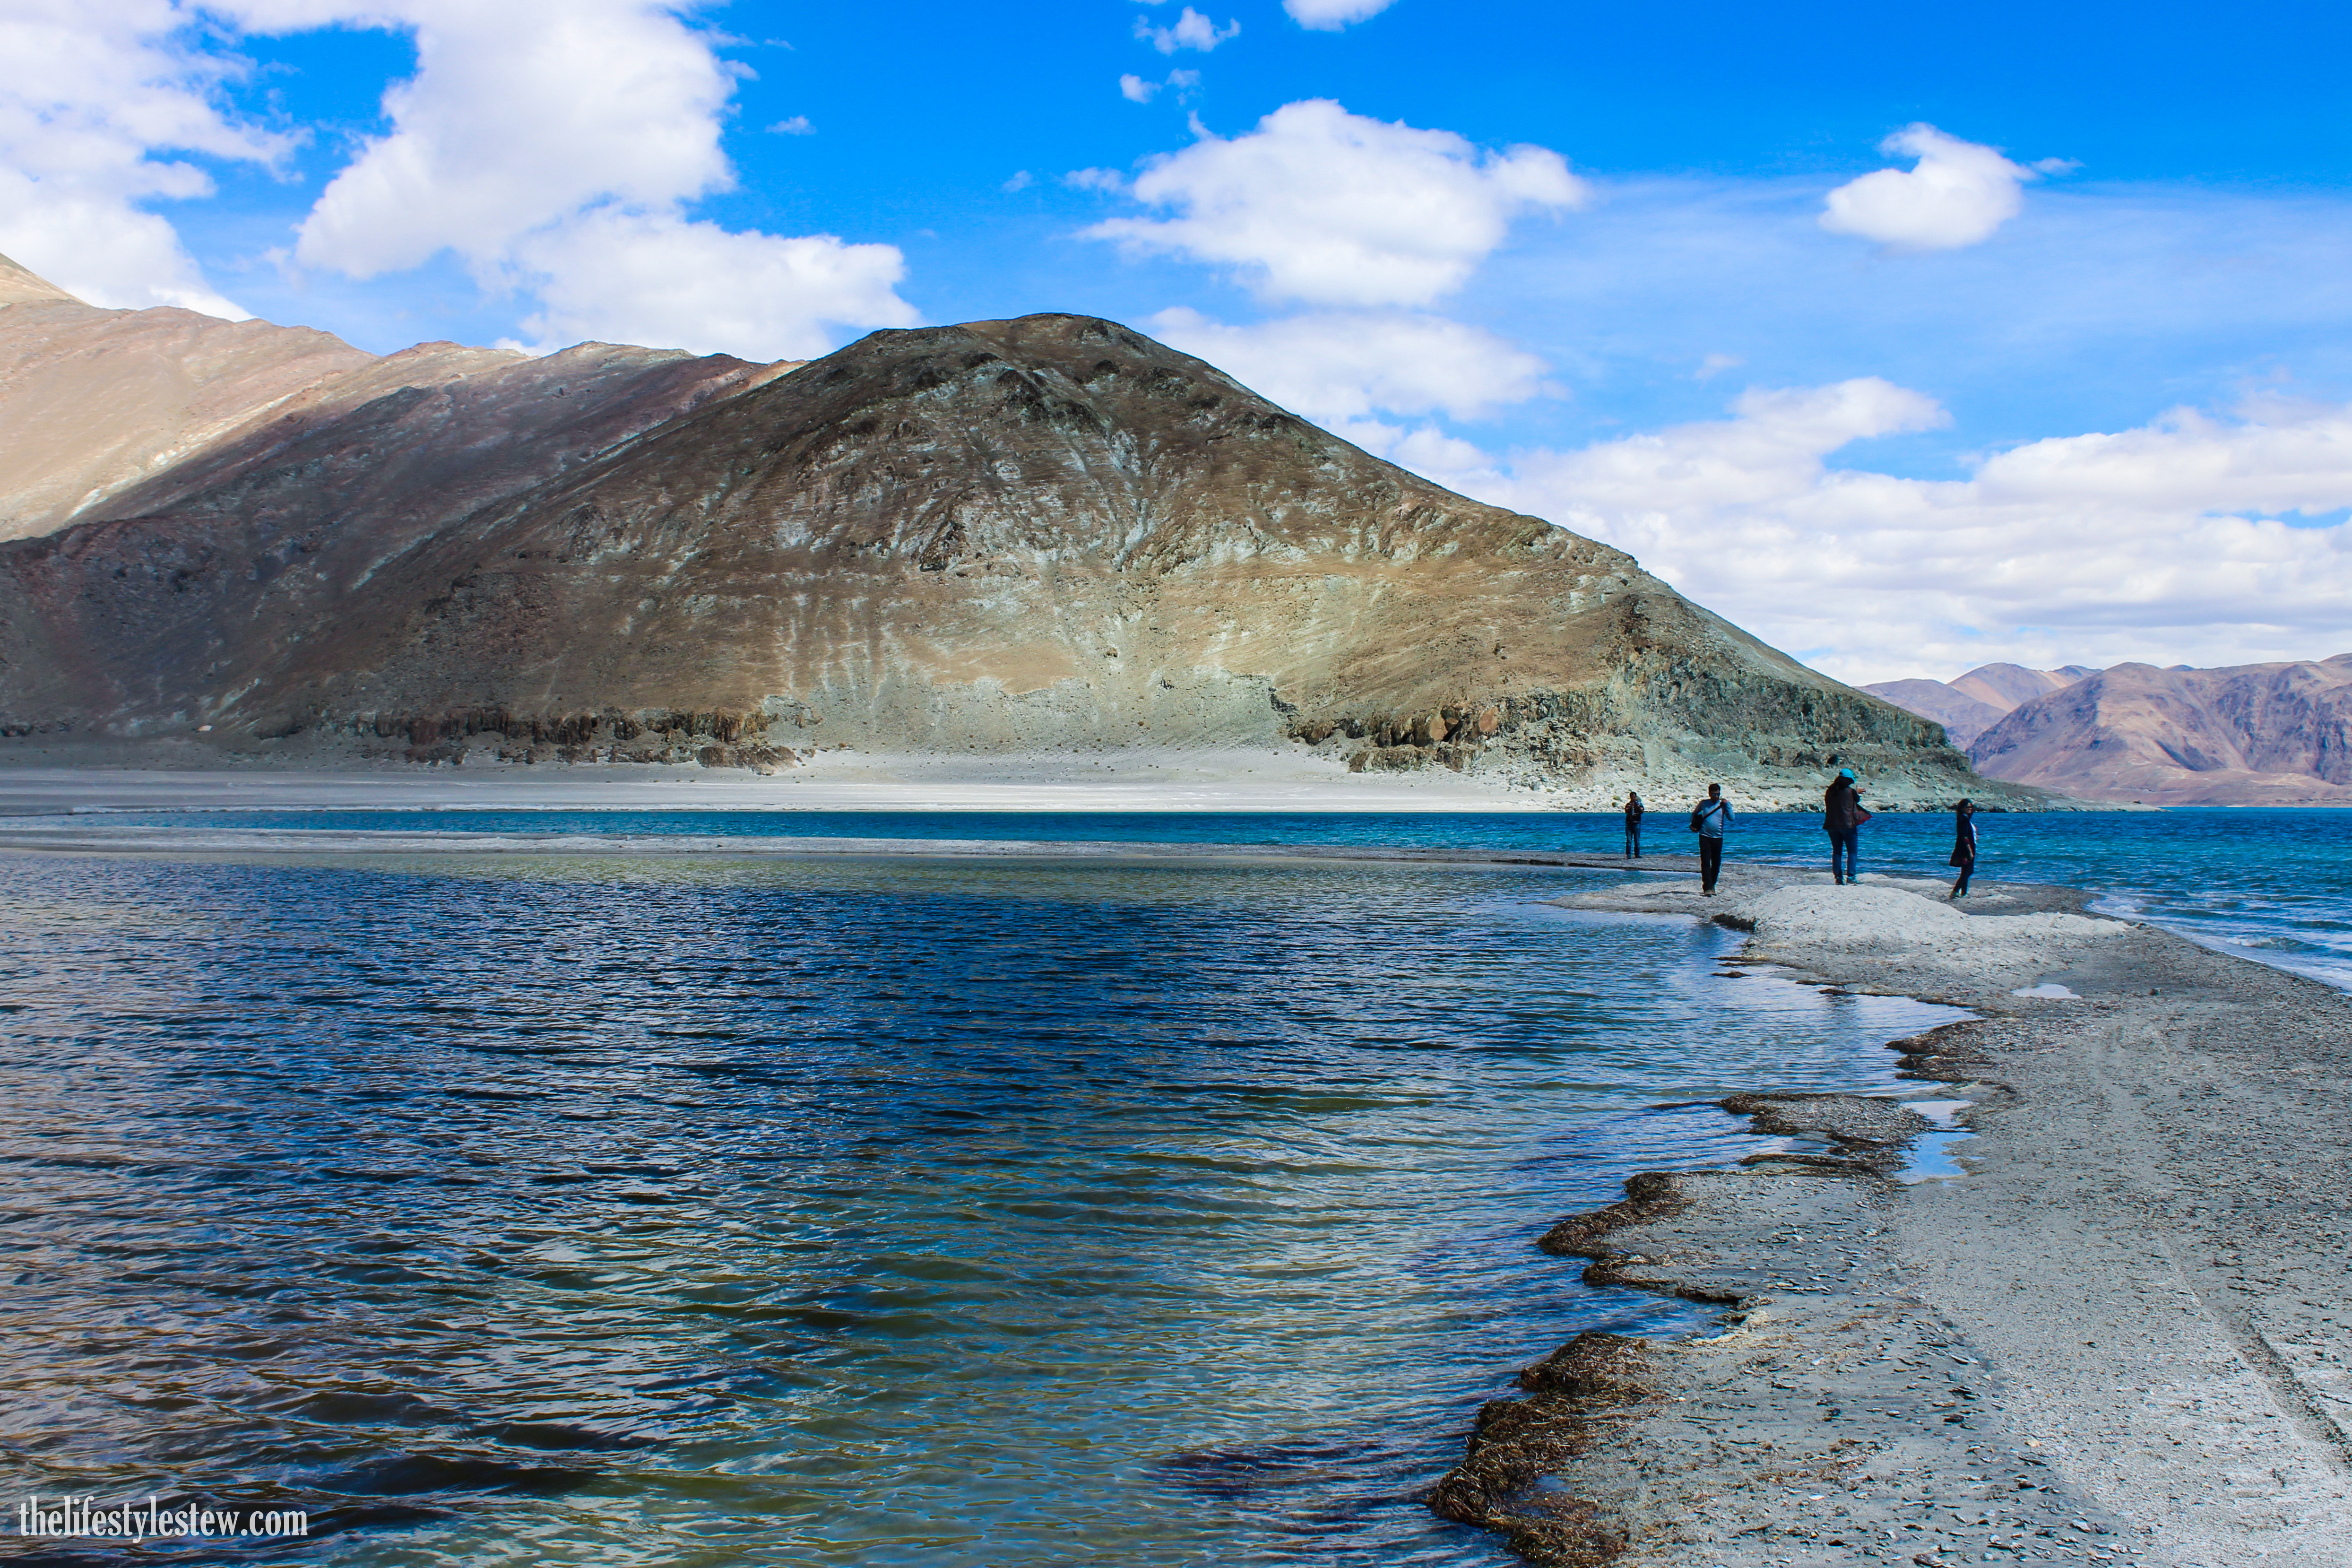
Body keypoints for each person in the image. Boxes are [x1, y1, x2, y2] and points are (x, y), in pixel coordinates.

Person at [1823, 767, 1866, 885]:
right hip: (1848, 826)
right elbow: (1856, 800)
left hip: (1831, 825)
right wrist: (1857, 791)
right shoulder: (1850, 792)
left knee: (1837, 851)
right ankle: (1851, 877)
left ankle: (1838, 878)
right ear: (1848, 781)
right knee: (1852, 851)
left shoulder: (1830, 791)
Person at [1689, 783, 1730, 894]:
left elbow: (1732, 818)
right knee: (1706, 862)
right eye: (1714, 794)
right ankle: (1707, 887)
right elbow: (1695, 813)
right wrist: (1692, 825)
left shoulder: (1723, 805)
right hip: (1705, 836)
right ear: (1709, 794)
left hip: (1718, 837)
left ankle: (1713, 885)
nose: (1716, 797)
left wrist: (1728, 805)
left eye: (1718, 794)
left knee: (1716, 863)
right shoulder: (1704, 804)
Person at [1949, 798, 1979, 899]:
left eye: (1971, 807)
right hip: (1966, 848)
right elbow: (1964, 837)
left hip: (1969, 846)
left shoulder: (1964, 819)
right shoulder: (1963, 820)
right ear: (1962, 809)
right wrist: (1970, 851)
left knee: (1966, 871)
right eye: (1967, 807)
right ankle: (1959, 892)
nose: (1970, 809)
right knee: (1968, 871)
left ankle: (1961, 892)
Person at [1623, 790, 1644, 858]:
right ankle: (1628, 854)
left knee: (1637, 840)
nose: (1633, 799)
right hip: (1629, 824)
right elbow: (1626, 811)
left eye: (1634, 797)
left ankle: (1637, 854)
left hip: (1637, 824)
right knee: (1629, 840)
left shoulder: (1639, 804)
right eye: (1632, 797)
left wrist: (1637, 807)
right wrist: (1631, 807)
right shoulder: (1629, 804)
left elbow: (1642, 811)